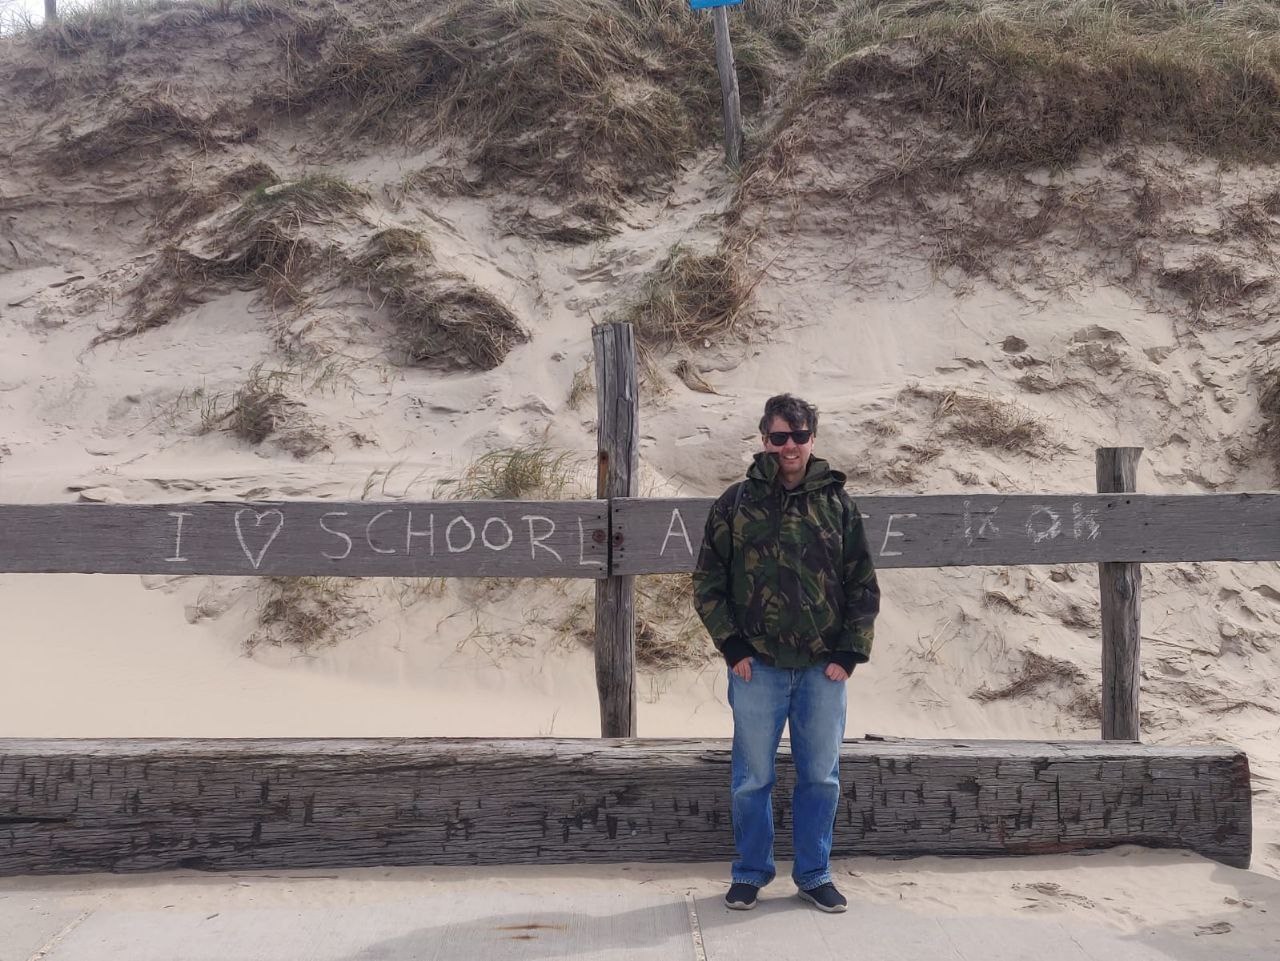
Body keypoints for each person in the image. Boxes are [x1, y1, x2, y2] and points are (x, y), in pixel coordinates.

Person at [693, 393, 880, 914]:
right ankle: (751, 872)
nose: (789, 446)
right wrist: (731, 645)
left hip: (824, 669)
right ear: (765, 439)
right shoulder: (735, 503)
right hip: (758, 667)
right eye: (780, 437)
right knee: (753, 776)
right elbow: (707, 581)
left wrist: (850, 651)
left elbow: (861, 583)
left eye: (798, 436)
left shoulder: (838, 504)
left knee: (820, 775)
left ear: (812, 439)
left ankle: (814, 873)